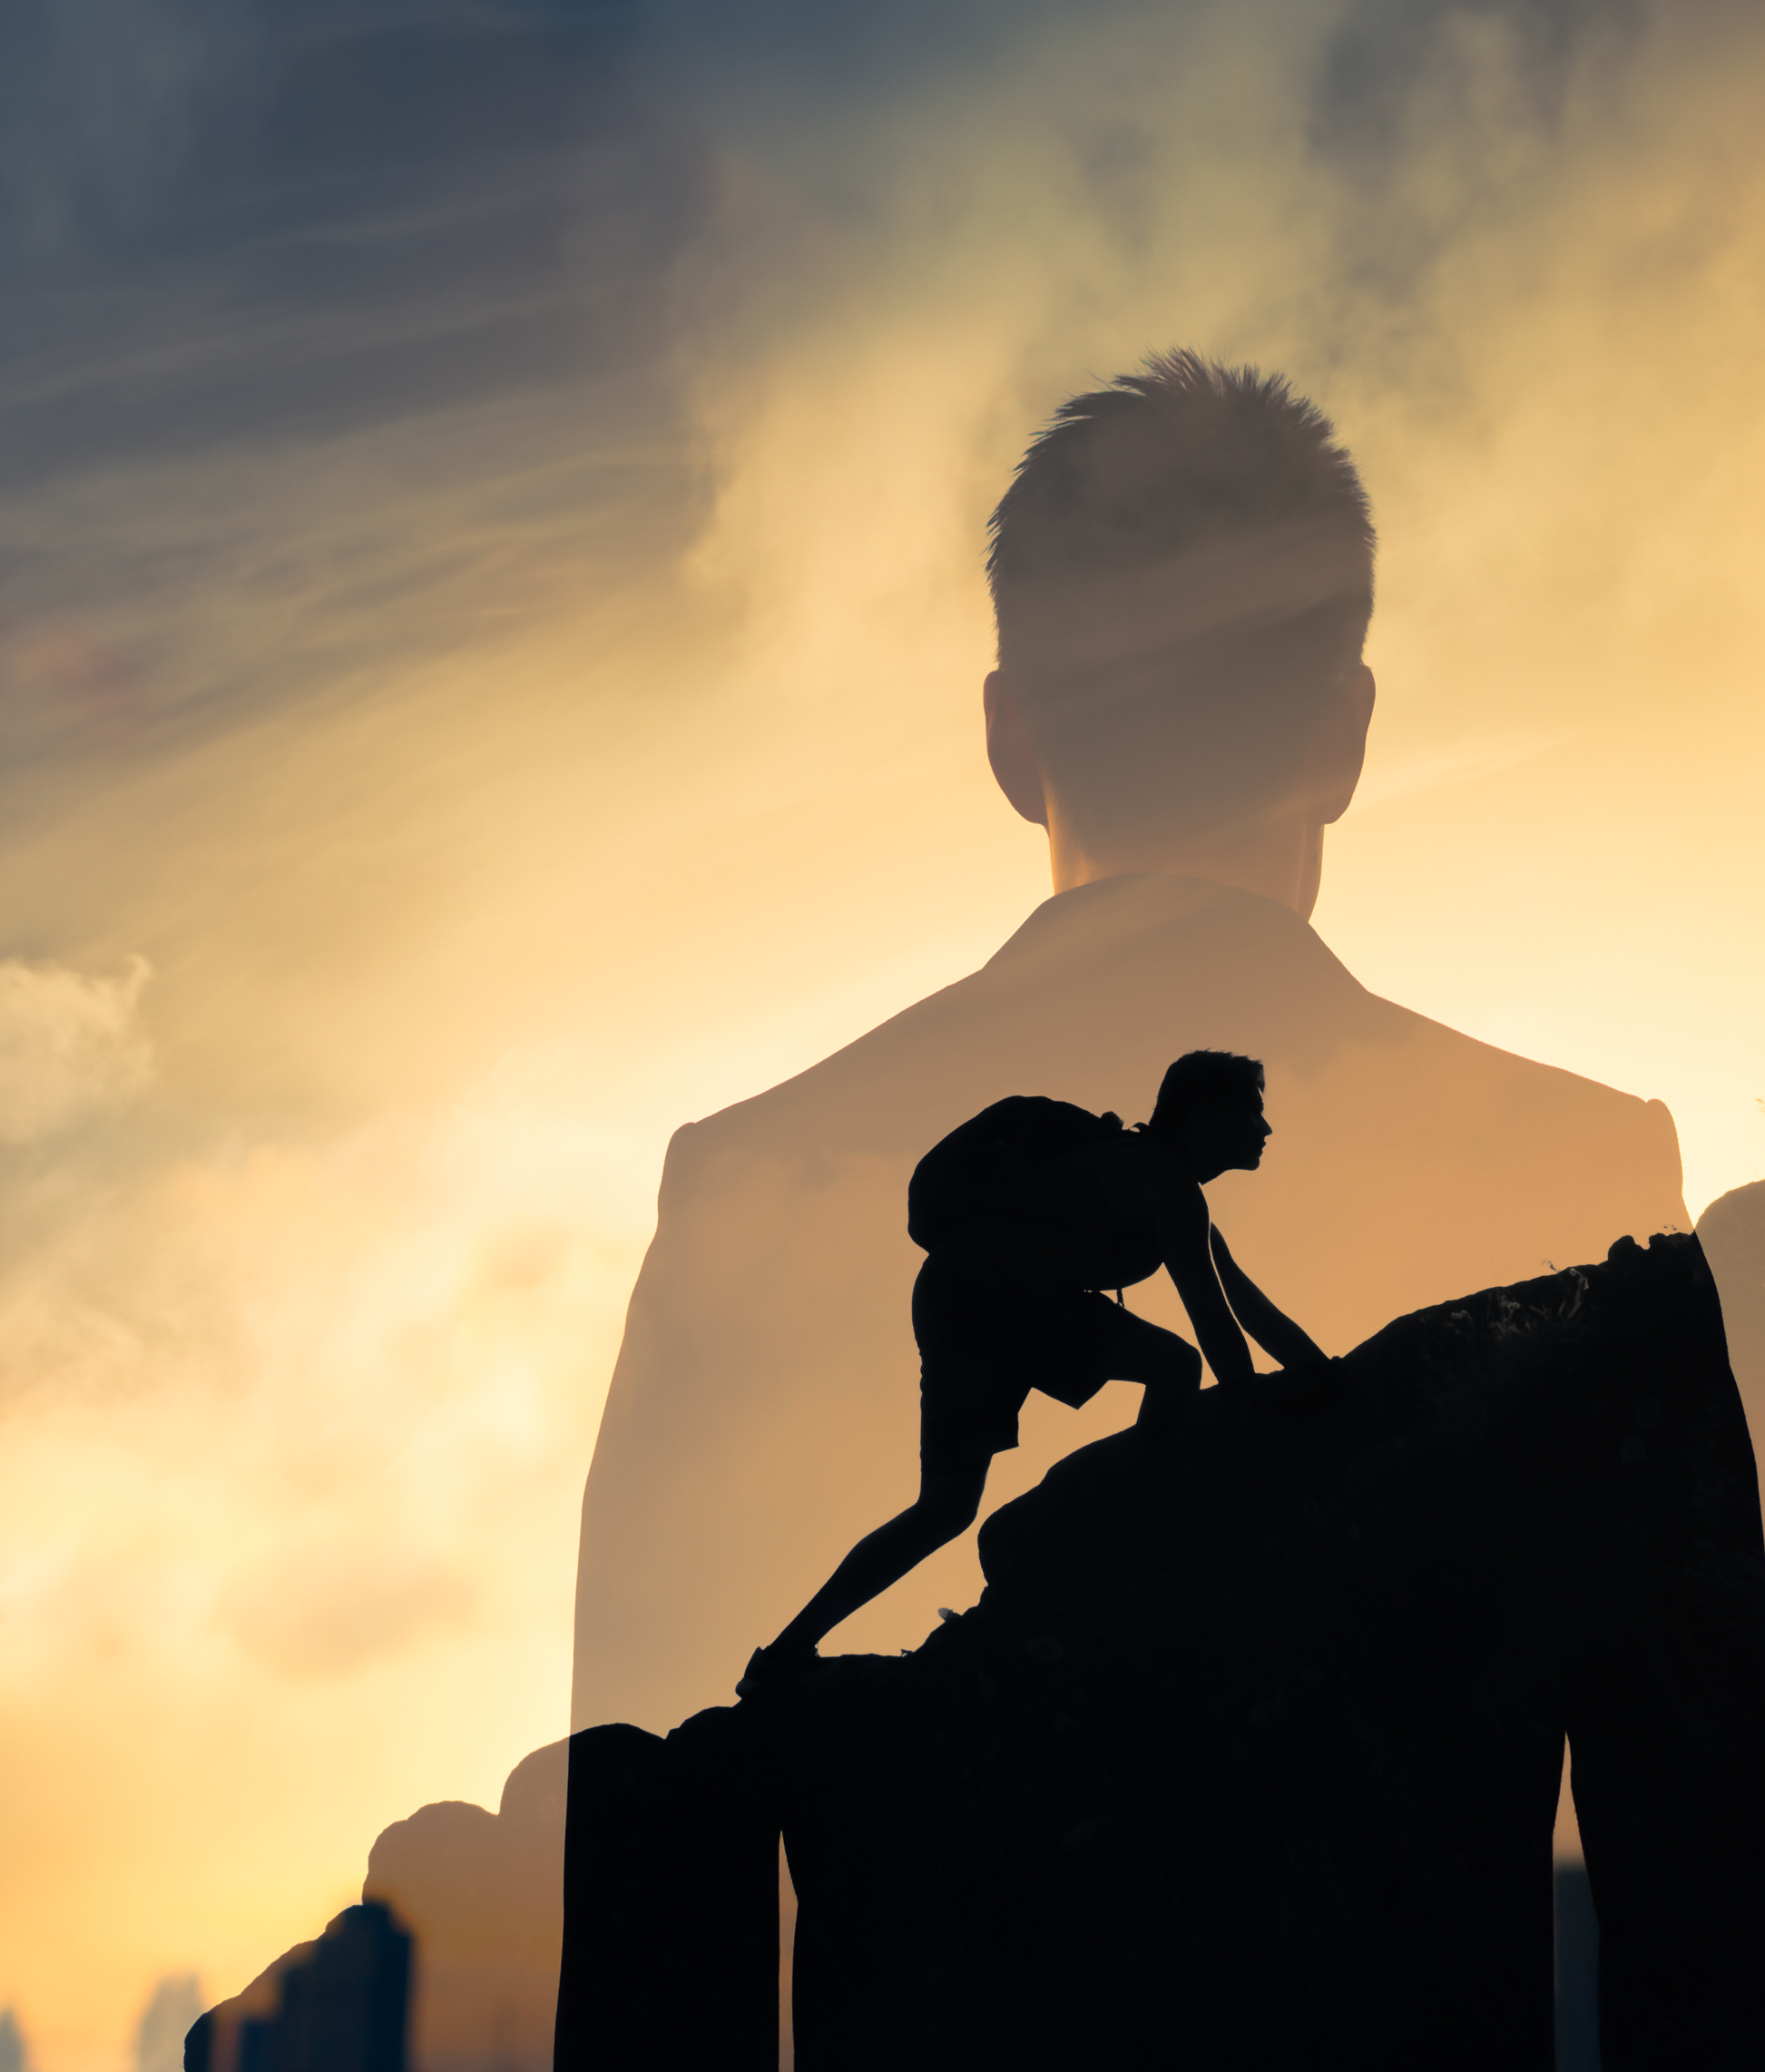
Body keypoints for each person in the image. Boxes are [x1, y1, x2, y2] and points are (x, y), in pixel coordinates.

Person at [573, 353, 1690, 1734]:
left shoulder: (741, 1171)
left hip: (916, 1920)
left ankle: (918, 1619)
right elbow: (1674, 1732)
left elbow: (619, 1791)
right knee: (988, 1485)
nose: (1262, 1144)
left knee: (958, 1498)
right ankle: (1081, 1583)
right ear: (1345, 740)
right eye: (1249, 1128)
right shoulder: (1584, 1160)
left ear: (1007, 739)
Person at [746, 1050, 1320, 1683]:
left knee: (945, 1507)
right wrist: (1256, 1406)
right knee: (1173, 1366)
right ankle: (1131, 1533)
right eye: (1253, 1114)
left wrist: (1322, 1373)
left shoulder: (1165, 1182)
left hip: (962, 1295)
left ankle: (782, 1655)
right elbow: (1214, 1318)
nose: (1265, 1131)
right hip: (991, 1301)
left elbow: (1247, 1306)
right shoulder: (1166, 1185)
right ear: (1207, 1116)